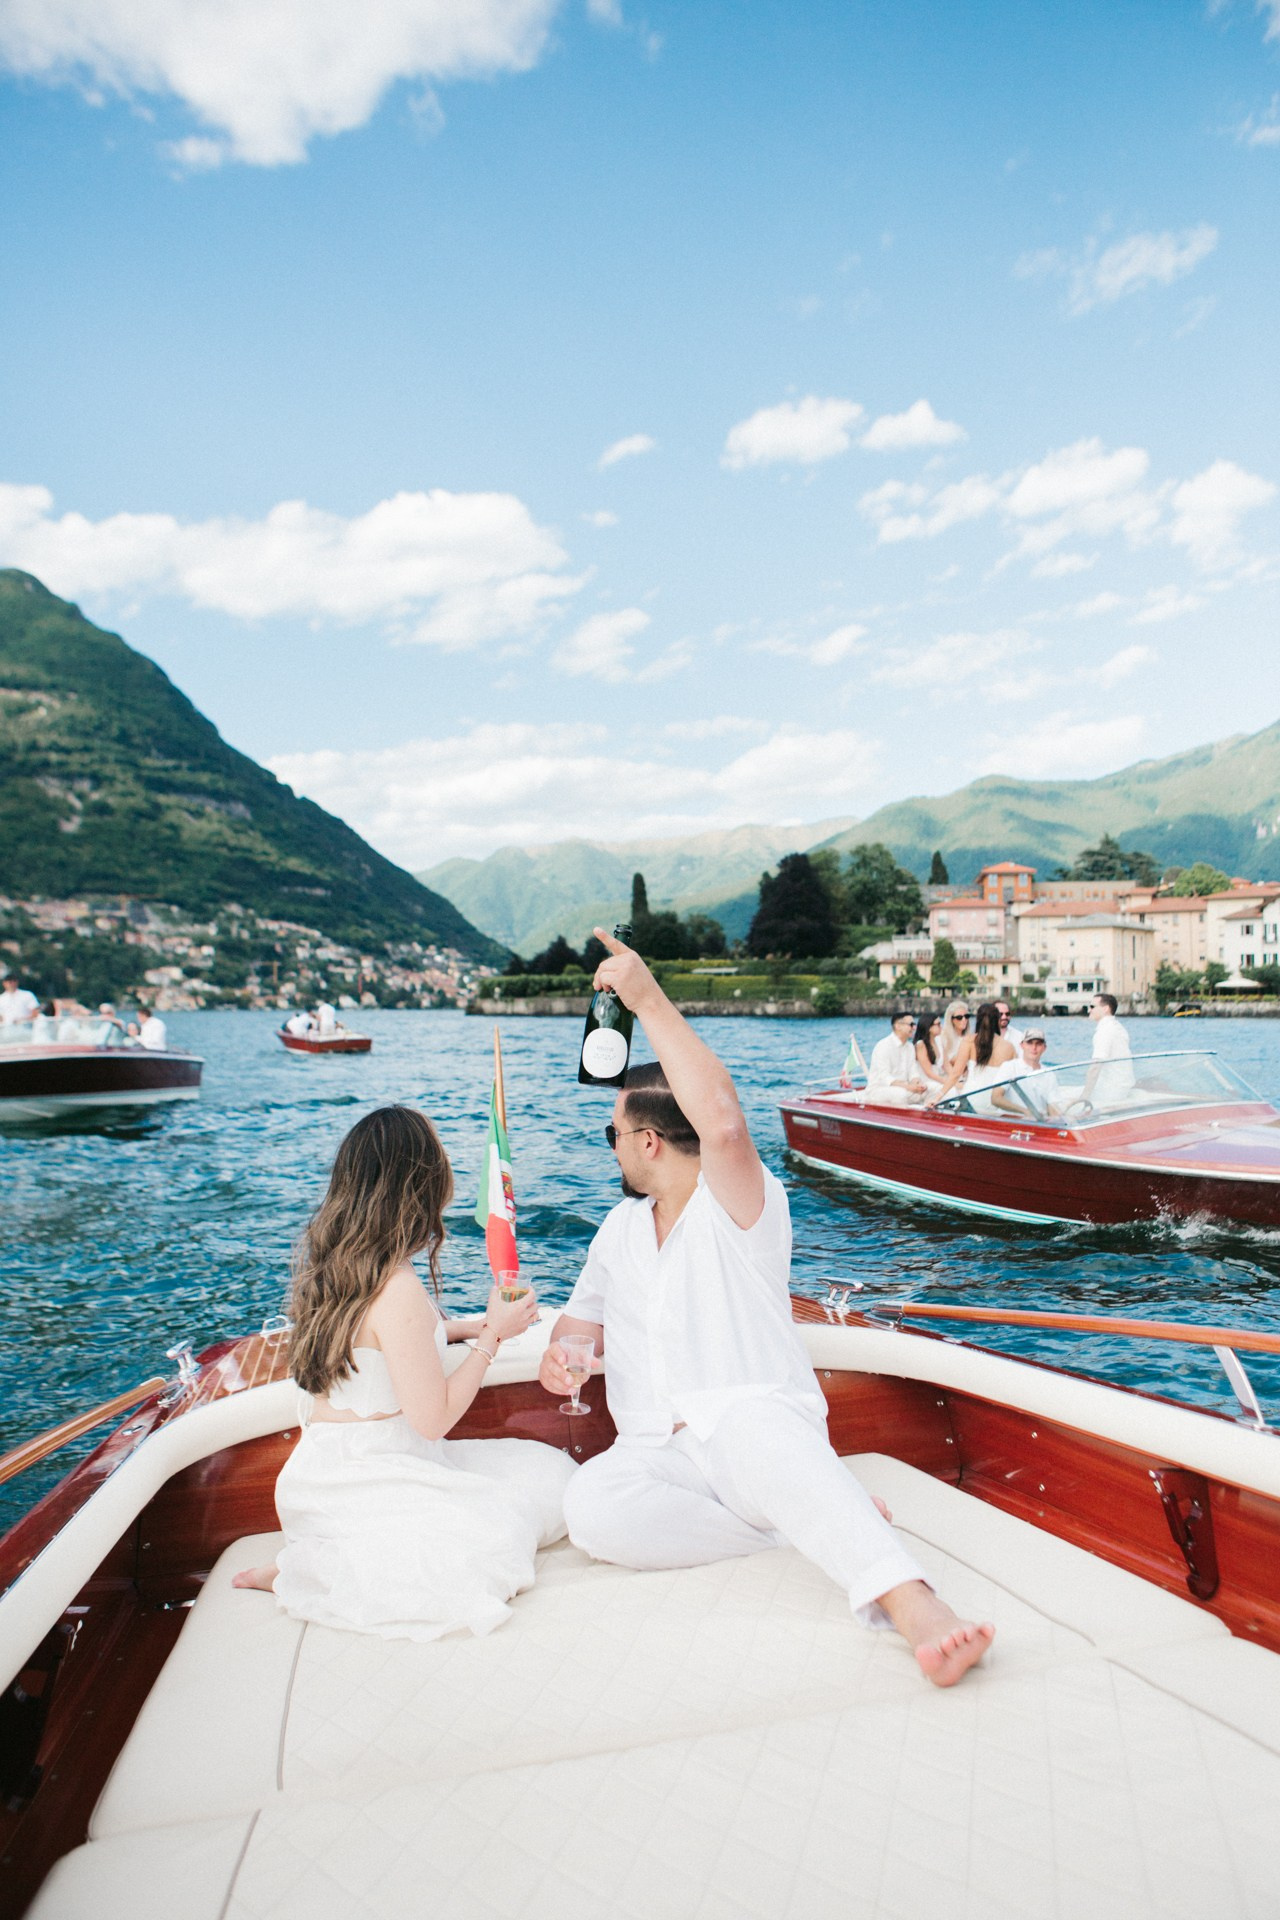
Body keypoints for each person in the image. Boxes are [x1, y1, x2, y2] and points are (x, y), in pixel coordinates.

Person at [540, 929, 994, 1688]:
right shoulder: (618, 1231)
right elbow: (578, 1326)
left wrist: (646, 998)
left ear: (648, 1141)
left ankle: (916, 1605)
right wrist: (563, 1355)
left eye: (612, 1133)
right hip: (662, 1456)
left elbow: (720, 1122)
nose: (609, 1146)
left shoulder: (743, 1209)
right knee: (592, 1508)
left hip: (750, 1427)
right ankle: (798, 1529)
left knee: (751, 1428)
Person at [234, 1106, 575, 1639]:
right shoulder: (398, 1287)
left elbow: (385, 1341)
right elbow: (432, 1420)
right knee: (509, 1524)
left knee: (544, 1474)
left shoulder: (337, 1265)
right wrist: (493, 1338)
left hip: (322, 1476)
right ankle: (310, 1567)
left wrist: (462, 1326)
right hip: (379, 1478)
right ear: (420, 1184)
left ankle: (312, 1554)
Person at [930, 1001, 1019, 1107]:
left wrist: (936, 1098)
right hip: (996, 1102)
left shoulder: (969, 1041)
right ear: (997, 1020)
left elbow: (955, 1074)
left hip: (972, 1099)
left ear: (978, 1020)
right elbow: (1015, 1077)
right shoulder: (1009, 1047)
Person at [863, 1009, 929, 1106]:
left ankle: (927, 1118)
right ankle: (901, 1120)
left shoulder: (910, 1047)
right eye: (911, 1025)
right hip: (878, 1089)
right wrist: (908, 1086)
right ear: (898, 1026)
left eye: (914, 1025)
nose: (914, 1028)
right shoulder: (883, 1046)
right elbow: (885, 1077)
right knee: (900, 1094)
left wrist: (917, 1083)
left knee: (927, 1089)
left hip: (903, 1087)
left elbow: (913, 1072)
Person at [991, 1027, 1061, 1117]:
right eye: (1029, 1043)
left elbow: (1053, 1109)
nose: (1034, 1048)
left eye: (1038, 1044)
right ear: (1022, 1045)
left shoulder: (1049, 1074)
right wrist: (1025, 1111)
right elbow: (995, 1098)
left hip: (1039, 1123)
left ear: (1044, 1048)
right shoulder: (1009, 1067)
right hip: (1010, 1121)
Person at [1085, 992, 1134, 1104]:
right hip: (1123, 1086)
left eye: (1092, 1007)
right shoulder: (1117, 1027)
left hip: (1111, 1090)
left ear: (1105, 1008)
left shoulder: (1105, 1030)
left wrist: (1084, 1096)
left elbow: (1095, 1067)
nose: (1088, 1010)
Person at [912, 1011, 947, 1090]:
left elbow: (947, 1065)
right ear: (929, 1027)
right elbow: (929, 1072)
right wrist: (948, 1083)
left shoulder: (939, 1040)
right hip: (927, 1082)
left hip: (939, 1078)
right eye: (938, 1024)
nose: (941, 1026)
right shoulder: (921, 1045)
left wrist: (954, 1080)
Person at [938, 1001, 971, 1073]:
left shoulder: (970, 1037)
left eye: (966, 1016)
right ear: (951, 1019)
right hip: (948, 1076)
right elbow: (945, 1062)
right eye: (959, 1017)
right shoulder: (942, 1037)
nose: (964, 1020)